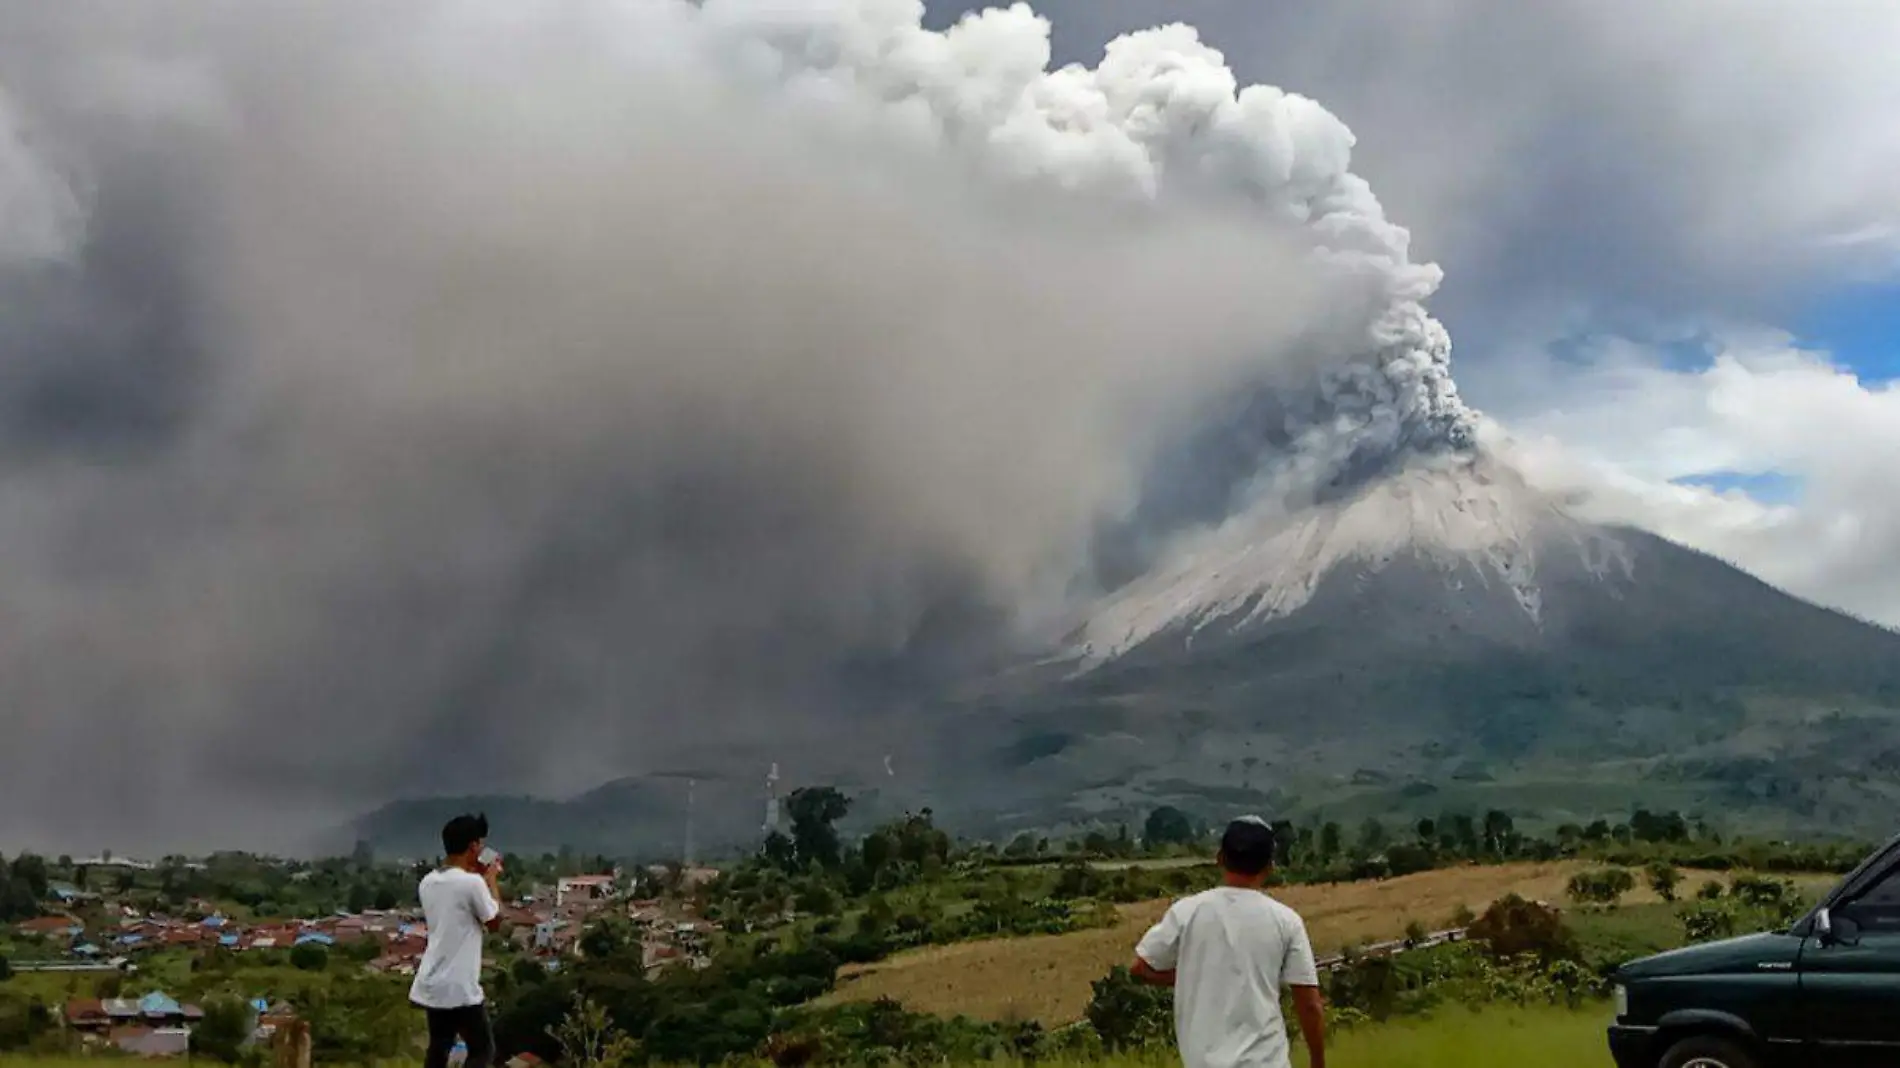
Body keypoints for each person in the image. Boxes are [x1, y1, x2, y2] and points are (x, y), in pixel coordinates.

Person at [1132, 816, 1325, 1068]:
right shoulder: (1286, 921)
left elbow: (1140, 968)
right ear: (1270, 866)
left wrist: (1194, 977)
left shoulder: (1187, 912)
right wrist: (1318, 1061)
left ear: (1220, 858)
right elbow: (1309, 1005)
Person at [411, 813, 504, 1068]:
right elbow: (495, 922)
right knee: (483, 1050)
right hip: (460, 986)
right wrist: (492, 880)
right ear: (473, 846)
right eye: (480, 845)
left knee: (439, 1048)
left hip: (433, 982)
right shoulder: (472, 883)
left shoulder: (428, 882)